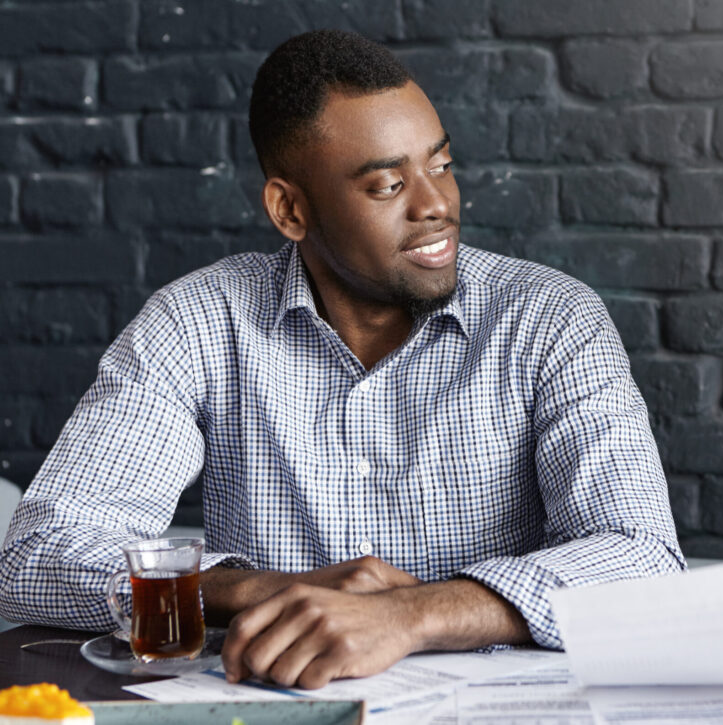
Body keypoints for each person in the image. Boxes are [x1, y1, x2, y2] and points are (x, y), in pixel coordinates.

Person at [0, 29, 684, 689]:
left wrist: (412, 615)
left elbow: (643, 557)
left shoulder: (551, 318)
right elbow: (35, 557)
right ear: (291, 210)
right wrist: (264, 590)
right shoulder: (199, 322)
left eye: (441, 165)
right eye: (388, 185)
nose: (436, 204)